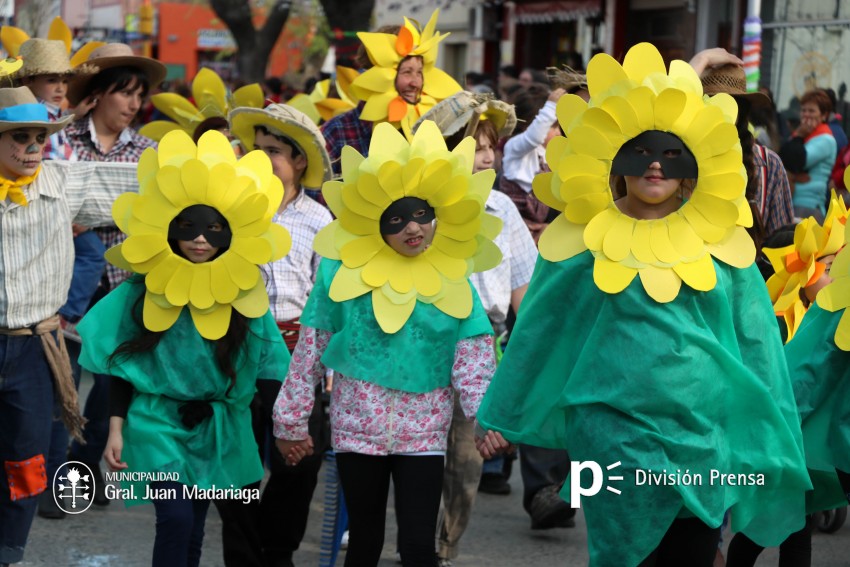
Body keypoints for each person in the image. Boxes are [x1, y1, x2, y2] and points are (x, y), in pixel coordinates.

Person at [475, 43, 811, 566]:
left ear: (694, 164)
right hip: (613, 441)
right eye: (641, 149)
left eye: (672, 151)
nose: (655, 163)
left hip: (700, 437)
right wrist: (497, 411)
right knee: (622, 554)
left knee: (695, 553)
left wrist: (776, 434)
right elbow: (541, 326)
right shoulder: (587, 240)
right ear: (617, 158)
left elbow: (756, 344)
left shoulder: (721, 243)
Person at [273, 120, 500, 567]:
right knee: (363, 544)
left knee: (418, 547)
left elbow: (472, 355)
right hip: (358, 427)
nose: (412, 229)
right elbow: (310, 350)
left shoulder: (453, 275)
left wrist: (486, 419)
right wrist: (290, 423)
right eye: (396, 219)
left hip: (424, 433)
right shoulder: (340, 274)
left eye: (421, 215)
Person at [79, 129, 291, 567]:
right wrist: (115, 428)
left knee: (193, 527)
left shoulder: (242, 293)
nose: (200, 239)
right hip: (156, 424)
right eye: (188, 227)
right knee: (174, 520)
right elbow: (121, 360)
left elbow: (271, 367)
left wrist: (289, 430)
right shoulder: (144, 289)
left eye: (214, 229)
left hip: (217, 428)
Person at [0, 85, 140, 566]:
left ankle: (10, 552)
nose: (34, 146)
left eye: (40, 135)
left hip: (36, 347)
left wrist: (216, 171)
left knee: (29, 459)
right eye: (20, 136)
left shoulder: (62, 182)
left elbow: (137, 183)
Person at [412, 92, 538, 566]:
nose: (487, 156)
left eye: (491, 147)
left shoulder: (504, 209)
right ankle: (418, 543)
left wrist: (525, 357)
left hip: (485, 344)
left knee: (466, 462)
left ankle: (444, 547)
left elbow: (525, 289)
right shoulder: (421, 211)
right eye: (475, 146)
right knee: (421, 458)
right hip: (425, 343)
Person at [219, 103, 333, 567]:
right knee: (237, 459)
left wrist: (326, 365)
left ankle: (278, 548)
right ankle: (243, 556)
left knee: (302, 459)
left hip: (295, 351)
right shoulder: (230, 208)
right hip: (234, 347)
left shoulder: (320, 221)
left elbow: (327, 299)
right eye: (256, 148)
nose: (261, 157)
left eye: (274, 151)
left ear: (299, 160)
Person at [62, 42, 166, 500]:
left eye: (138, 96)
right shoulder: (63, 141)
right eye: (124, 93)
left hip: (123, 284)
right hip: (65, 280)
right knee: (58, 379)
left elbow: (155, 215)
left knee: (111, 385)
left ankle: (83, 471)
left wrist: (96, 212)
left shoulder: (148, 152)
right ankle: (46, 475)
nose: (132, 104)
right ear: (100, 94)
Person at [725, 192, 849, 566]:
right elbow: (802, 378)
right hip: (782, 439)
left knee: (797, 530)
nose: (835, 278)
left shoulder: (830, 315)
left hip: (807, 448)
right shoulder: (783, 322)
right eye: (829, 268)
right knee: (763, 530)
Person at [322, 10, 461, 174]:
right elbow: (318, 192)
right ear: (376, 74)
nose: (415, 83)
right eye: (407, 72)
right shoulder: (337, 131)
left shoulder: (433, 130)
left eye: (419, 72)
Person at [698, 61, 794, 241]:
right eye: (711, 104)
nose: (720, 114)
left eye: (728, 106)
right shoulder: (681, 160)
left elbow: (782, 245)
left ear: (741, 112)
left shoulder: (769, 164)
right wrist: (704, 57)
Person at [780, 89, 837, 221]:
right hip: (792, 203)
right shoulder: (802, 136)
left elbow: (799, 161)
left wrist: (799, 136)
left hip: (809, 206)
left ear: (824, 115)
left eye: (811, 111)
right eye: (803, 110)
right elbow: (782, 159)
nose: (806, 115)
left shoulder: (826, 139)